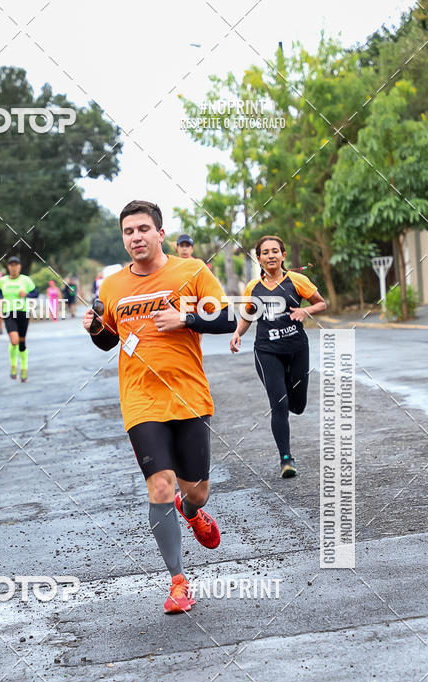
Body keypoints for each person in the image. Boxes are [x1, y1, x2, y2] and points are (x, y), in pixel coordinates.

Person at [83, 199, 236, 615]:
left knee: (195, 491)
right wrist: (96, 328)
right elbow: (109, 340)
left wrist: (186, 320)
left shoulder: (191, 272)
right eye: (129, 231)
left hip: (189, 396)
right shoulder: (112, 286)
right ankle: (178, 581)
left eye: (143, 229)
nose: (136, 237)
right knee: (160, 485)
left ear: (160, 233)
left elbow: (225, 318)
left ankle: (192, 513)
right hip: (140, 400)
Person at [230, 235, 327, 477]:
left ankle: (291, 396)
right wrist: (237, 334)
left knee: (298, 405)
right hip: (267, 351)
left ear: (283, 255)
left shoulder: (297, 280)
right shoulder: (254, 287)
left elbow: (321, 304)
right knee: (279, 405)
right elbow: (248, 315)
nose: (271, 255)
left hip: (296, 349)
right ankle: (286, 459)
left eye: (275, 251)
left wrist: (305, 309)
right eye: (265, 252)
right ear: (259, 258)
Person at [0, 256, 38, 382]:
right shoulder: (3, 280)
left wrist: (27, 294)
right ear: (8, 267)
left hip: (23, 313)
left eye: (16, 265)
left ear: (19, 266)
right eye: (11, 265)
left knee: (21, 343)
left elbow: (36, 293)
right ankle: (13, 365)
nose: (13, 267)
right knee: (14, 340)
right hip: (9, 313)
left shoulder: (26, 280)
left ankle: (24, 370)